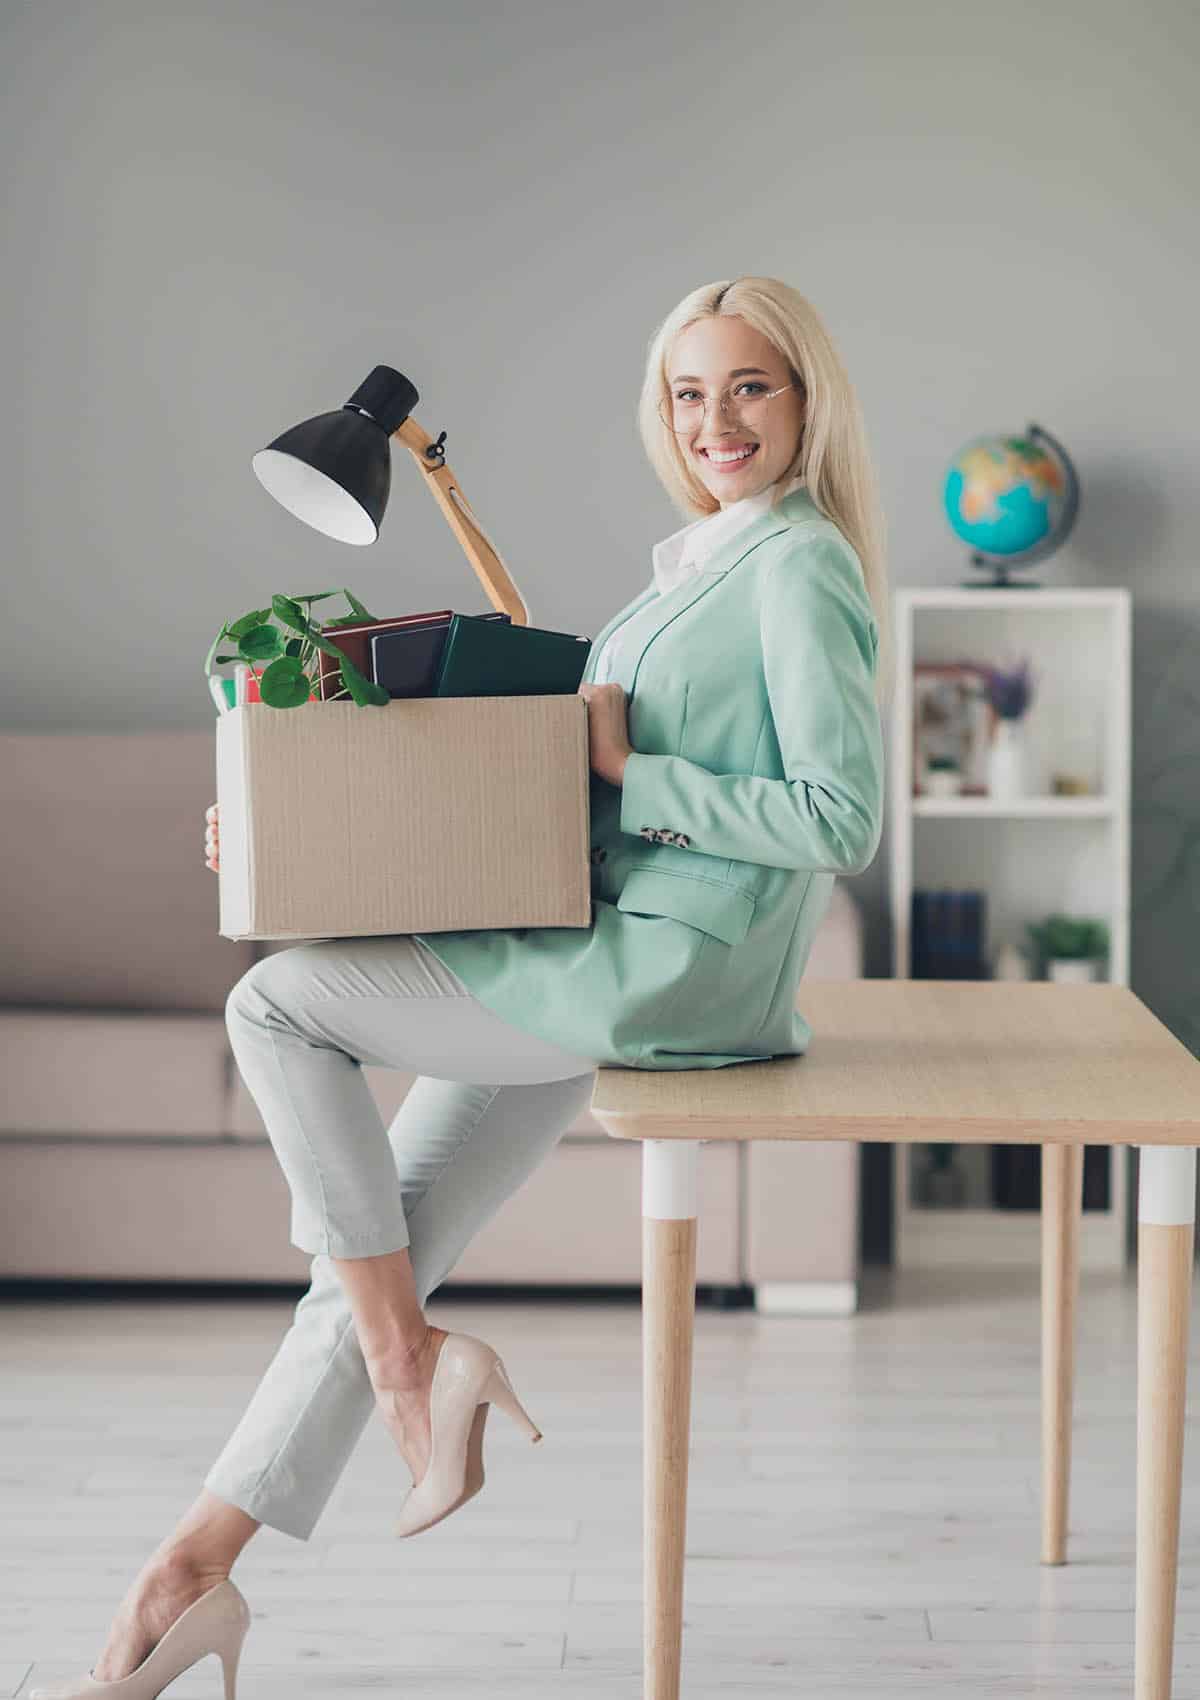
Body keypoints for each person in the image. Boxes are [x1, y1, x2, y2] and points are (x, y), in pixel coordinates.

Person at [36, 275, 890, 1699]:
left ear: (807, 402)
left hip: (658, 972)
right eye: (690, 392)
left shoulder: (799, 566)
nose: (717, 419)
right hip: (610, 942)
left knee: (277, 1005)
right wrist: (284, 834)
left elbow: (836, 817)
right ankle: (189, 1575)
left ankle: (408, 1373)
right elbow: (552, 786)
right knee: (382, 1252)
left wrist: (637, 772)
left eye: (751, 386)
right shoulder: (707, 561)